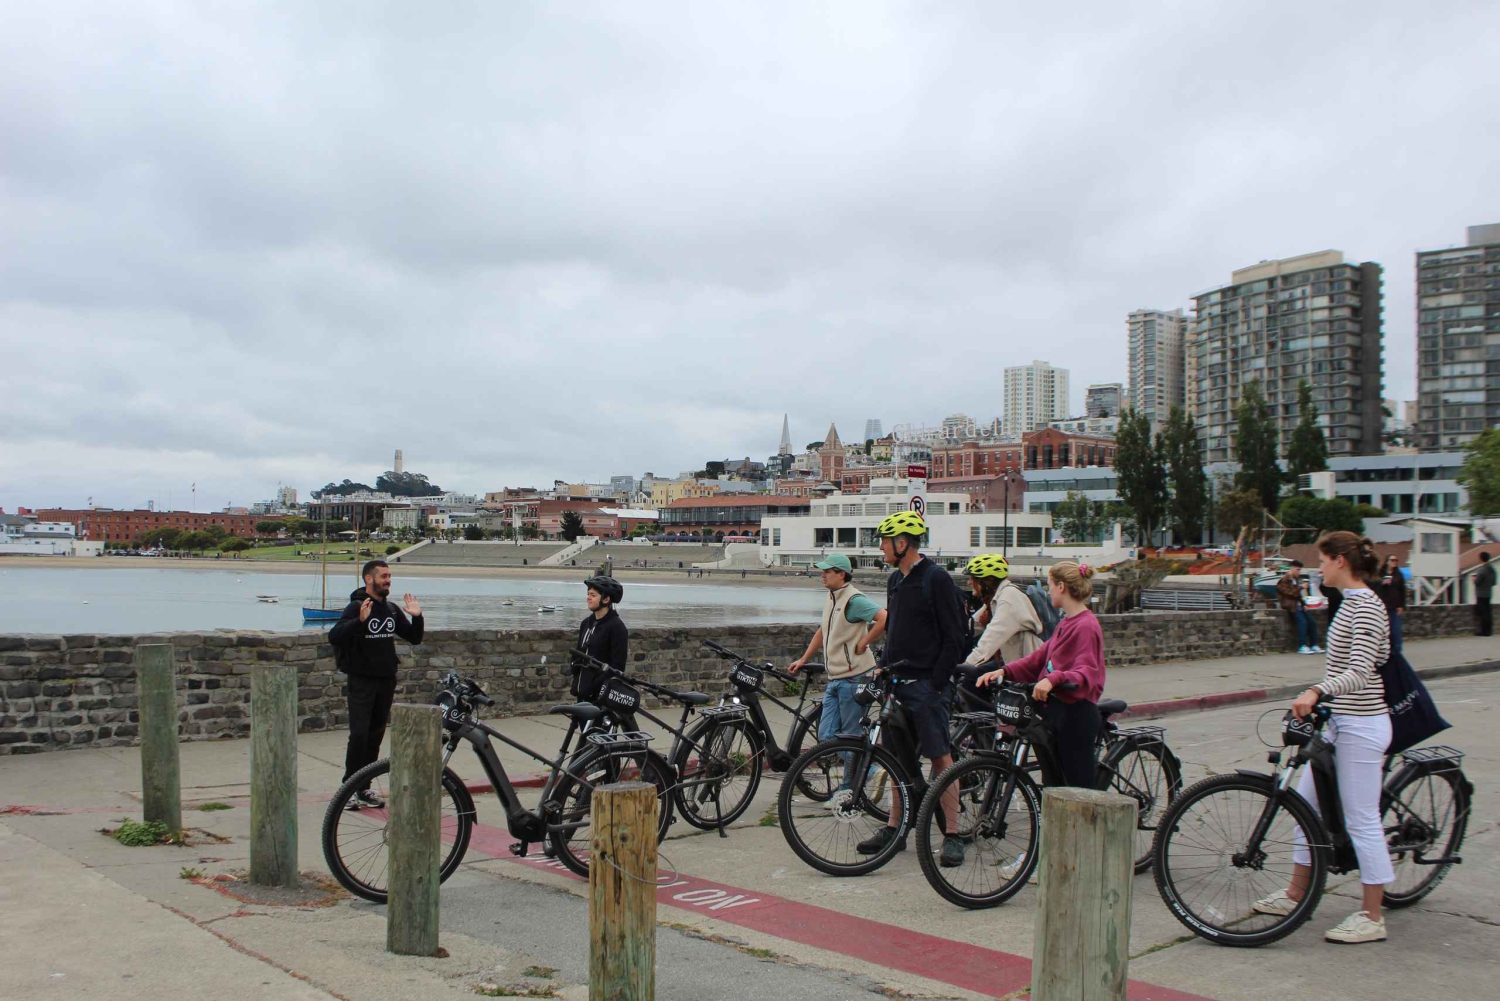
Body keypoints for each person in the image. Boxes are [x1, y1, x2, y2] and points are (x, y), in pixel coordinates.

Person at [1254, 531, 1393, 945]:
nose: (1320, 567)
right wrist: (1322, 693)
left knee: (1362, 819)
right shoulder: (1351, 604)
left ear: (1341, 561)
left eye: (1323, 560)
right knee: (1305, 806)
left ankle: (1372, 915)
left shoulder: (1366, 605)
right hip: (1341, 722)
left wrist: (1318, 690)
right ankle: (1296, 893)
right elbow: (1372, 660)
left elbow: (1364, 669)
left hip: (1363, 726)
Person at [854, 511, 968, 867]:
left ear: (902, 544)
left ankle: (952, 834)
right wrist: (881, 666)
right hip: (897, 684)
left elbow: (956, 638)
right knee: (894, 759)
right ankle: (895, 828)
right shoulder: (895, 581)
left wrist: (936, 684)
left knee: (940, 758)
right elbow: (896, 630)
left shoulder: (936, 579)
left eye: (885, 542)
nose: (881, 547)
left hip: (927, 686)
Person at [976, 561, 1105, 790]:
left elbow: (1086, 671)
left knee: (1078, 790)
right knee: (1053, 785)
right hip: (1055, 709)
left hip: (1076, 714)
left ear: (1062, 587)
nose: (1048, 591)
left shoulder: (1086, 625)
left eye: (1050, 585)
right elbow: (1039, 657)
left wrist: (1052, 679)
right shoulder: (1066, 622)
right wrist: (1005, 671)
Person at [788, 553, 888, 807]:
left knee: (850, 736)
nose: (822, 574)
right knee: (827, 736)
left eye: (827, 571)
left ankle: (850, 790)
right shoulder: (832, 598)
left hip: (855, 678)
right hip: (836, 678)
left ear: (841, 574)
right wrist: (803, 658)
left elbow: (883, 618)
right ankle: (871, 769)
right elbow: (824, 630)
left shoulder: (854, 600)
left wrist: (865, 642)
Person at [328, 559, 424, 809]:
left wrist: (417, 616)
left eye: (389, 576)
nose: (388, 580)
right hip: (361, 680)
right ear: (369, 579)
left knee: (375, 736)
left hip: (385, 680)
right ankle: (347, 789)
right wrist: (359, 621)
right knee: (359, 736)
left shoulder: (391, 609)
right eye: (383, 576)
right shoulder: (357, 606)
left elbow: (414, 638)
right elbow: (335, 637)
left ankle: (364, 789)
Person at [959, 553, 1044, 671]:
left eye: (973, 578)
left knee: (971, 680)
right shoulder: (995, 599)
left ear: (987, 581)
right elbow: (970, 627)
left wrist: (966, 665)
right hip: (1012, 662)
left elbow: (991, 639)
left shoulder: (1008, 599)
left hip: (1029, 668)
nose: (969, 583)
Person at [570, 576, 627, 700]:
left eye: (593, 595)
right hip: (582, 690)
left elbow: (617, 666)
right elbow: (579, 651)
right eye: (588, 594)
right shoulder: (586, 623)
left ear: (606, 599)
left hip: (601, 695)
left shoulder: (617, 627)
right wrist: (574, 668)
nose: (588, 598)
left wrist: (595, 685)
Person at [1277, 561, 1322, 654]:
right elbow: (1290, 593)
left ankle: (1314, 645)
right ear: (1292, 568)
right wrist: (1301, 587)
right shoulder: (1284, 580)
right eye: (1297, 570)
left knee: (1312, 622)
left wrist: (1303, 604)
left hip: (1298, 605)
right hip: (1290, 605)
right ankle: (1302, 646)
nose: (1299, 572)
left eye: (1299, 570)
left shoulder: (1295, 579)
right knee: (1302, 622)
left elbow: (1298, 595)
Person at [1377, 554, 1407, 653]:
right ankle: (1384, 651)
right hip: (1383, 606)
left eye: (1396, 560)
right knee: (1384, 631)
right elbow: (1375, 587)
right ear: (1387, 561)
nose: (1394, 562)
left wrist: (1402, 606)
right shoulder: (1380, 573)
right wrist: (1382, 583)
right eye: (1392, 560)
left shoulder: (1398, 574)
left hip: (1395, 607)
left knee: (1396, 630)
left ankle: (1398, 651)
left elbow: (1402, 590)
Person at [1475, 551, 1495, 637]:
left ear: (1481, 559)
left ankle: (1484, 631)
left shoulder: (1482, 570)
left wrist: (1474, 580)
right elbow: (1494, 582)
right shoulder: (1492, 570)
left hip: (1481, 594)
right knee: (1488, 612)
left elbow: (1477, 582)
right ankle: (1489, 631)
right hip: (1489, 593)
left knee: (1482, 613)